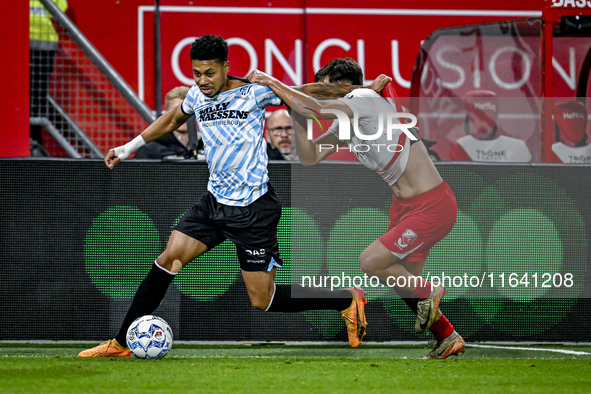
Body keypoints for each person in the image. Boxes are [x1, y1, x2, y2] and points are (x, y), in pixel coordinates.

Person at [78, 35, 367, 358]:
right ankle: (119, 343)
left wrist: (358, 92)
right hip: (214, 204)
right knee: (168, 259)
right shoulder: (196, 96)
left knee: (263, 300)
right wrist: (128, 147)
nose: (203, 81)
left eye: (210, 73)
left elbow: (305, 92)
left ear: (226, 67)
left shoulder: (253, 92)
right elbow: (173, 119)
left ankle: (345, 299)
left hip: (254, 210)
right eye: (197, 73)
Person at [247, 57, 465, 359]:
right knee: (405, 285)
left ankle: (431, 291)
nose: (319, 93)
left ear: (343, 86)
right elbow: (309, 156)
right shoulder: (352, 118)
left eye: (323, 87)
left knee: (372, 261)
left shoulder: (362, 98)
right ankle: (447, 337)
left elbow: (315, 108)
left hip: (433, 205)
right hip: (405, 205)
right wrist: (293, 110)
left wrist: (273, 83)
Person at [29, 0, 68, 149]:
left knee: (37, 95)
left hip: (43, 45)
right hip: (26, 42)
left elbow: (60, 11)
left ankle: (34, 138)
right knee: (33, 95)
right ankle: (32, 138)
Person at [134, 86, 203, 160]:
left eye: (189, 109)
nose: (183, 115)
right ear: (167, 114)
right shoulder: (149, 150)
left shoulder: (209, 145)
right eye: (176, 110)